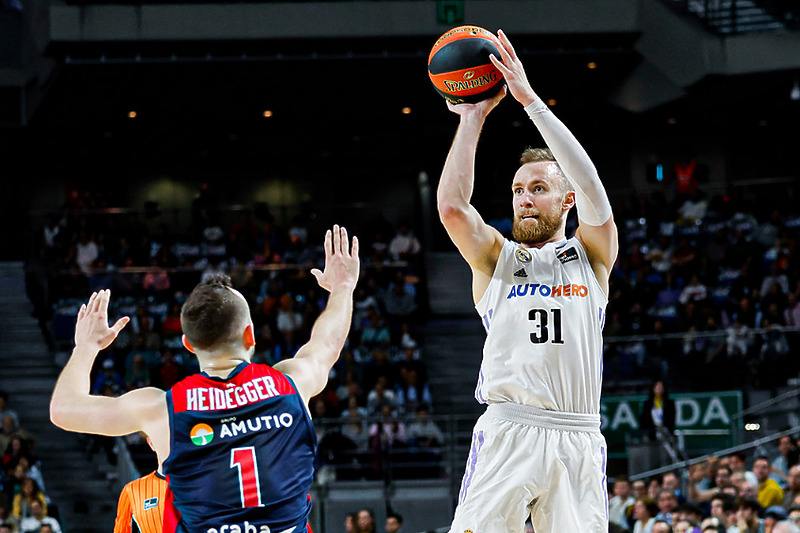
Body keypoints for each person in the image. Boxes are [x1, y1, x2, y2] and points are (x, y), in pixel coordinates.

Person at [50, 225, 360, 533]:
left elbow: (64, 410)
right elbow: (327, 342)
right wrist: (343, 287)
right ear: (250, 335)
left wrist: (86, 347)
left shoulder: (161, 409)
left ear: (188, 345)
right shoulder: (291, 382)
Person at [436, 29, 617, 532]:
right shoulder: (496, 258)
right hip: (509, 429)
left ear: (566, 200)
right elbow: (452, 207)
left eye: (539, 188)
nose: (524, 198)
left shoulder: (592, 256)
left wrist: (530, 100)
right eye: (518, 189)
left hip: (578, 436)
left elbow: (593, 187)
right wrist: (472, 118)